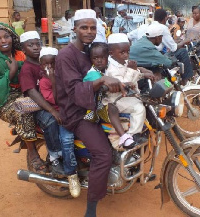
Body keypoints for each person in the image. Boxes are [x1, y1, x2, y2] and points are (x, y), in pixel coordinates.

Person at [54, 9, 125, 217]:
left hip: (94, 105)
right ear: (74, 28)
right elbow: (75, 90)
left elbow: (103, 70)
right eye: (84, 27)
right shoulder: (66, 56)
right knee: (103, 154)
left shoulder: (89, 51)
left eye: (93, 27)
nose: (89, 31)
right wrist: (102, 81)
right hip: (76, 113)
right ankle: (91, 210)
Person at [0, 23, 46, 173]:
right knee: (23, 110)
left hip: (25, 92)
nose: (3, 41)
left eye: (6, 36)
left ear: (12, 37)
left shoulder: (21, 54)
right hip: (5, 102)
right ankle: (33, 153)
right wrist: (11, 72)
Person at [38, 46, 81, 198]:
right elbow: (55, 100)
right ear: (41, 65)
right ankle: (72, 175)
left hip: (73, 112)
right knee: (67, 139)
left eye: (52, 64)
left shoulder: (67, 76)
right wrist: (53, 80)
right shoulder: (44, 82)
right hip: (62, 115)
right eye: (45, 64)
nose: (49, 67)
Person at [83, 42, 136, 148]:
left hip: (107, 101)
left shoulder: (107, 68)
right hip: (96, 108)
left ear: (108, 57)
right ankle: (123, 136)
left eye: (102, 57)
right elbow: (106, 85)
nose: (99, 60)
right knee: (112, 107)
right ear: (91, 59)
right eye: (95, 58)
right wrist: (125, 84)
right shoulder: (92, 74)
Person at [104, 33, 154, 143]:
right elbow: (123, 84)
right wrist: (132, 70)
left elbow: (133, 77)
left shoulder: (122, 61)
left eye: (127, 52)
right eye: (122, 52)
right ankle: (133, 135)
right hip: (116, 100)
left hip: (125, 96)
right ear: (111, 53)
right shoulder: (111, 69)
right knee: (139, 108)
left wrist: (142, 74)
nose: (126, 55)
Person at [154, 9, 194, 84]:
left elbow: (169, 41)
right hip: (159, 55)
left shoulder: (150, 25)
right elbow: (173, 48)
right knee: (183, 51)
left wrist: (179, 41)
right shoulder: (163, 28)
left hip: (152, 53)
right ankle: (186, 80)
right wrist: (184, 42)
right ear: (165, 18)